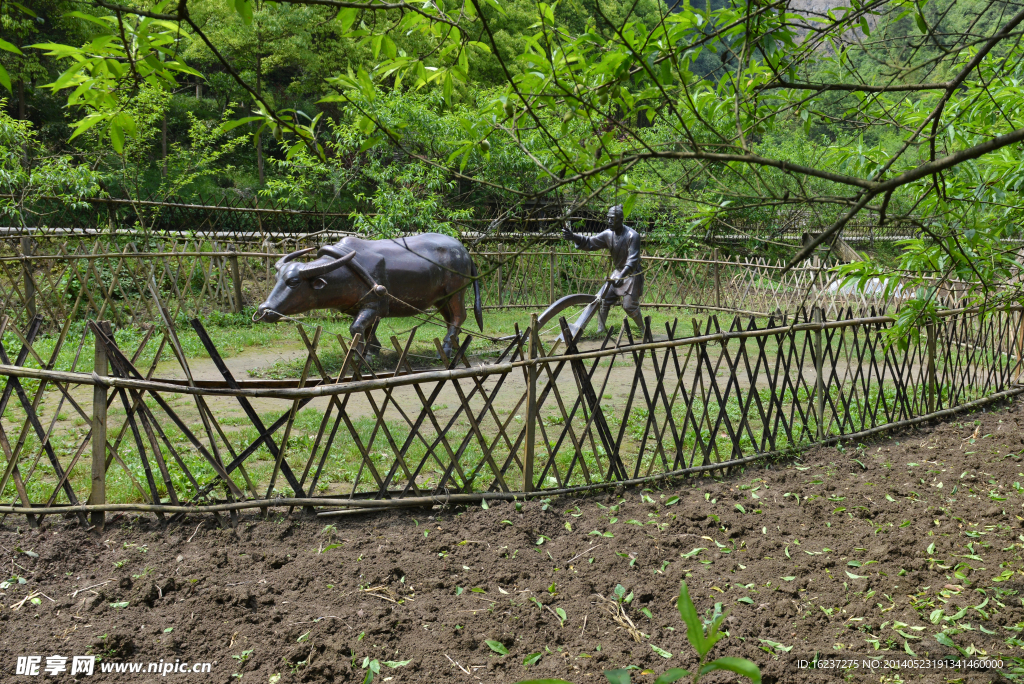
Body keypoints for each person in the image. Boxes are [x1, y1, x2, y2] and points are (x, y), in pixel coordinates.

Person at [562, 204, 645, 333]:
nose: (609, 221)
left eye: (613, 219)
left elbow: (632, 260)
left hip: (631, 274)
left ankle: (642, 329)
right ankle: (601, 329)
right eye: (608, 218)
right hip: (618, 272)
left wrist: (622, 276)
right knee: (602, 299)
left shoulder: (632, 236)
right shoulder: (608, 234)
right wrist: (573, 236)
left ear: (621, 219)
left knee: (629, 306)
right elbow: (590, 242)